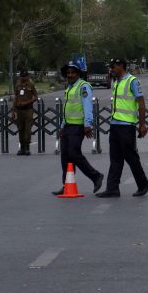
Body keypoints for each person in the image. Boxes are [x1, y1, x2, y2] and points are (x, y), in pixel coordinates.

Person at [96, 58, 148, 198]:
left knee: (131, 157)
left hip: (126, 126)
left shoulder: (132, 81)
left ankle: (143, 183)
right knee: (115, 159)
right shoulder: (116, 81)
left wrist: (142, 124)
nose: (111, 69)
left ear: (121, 66)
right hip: (115, 124)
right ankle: (112, 188)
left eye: (113, 66)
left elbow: (141, 103)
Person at [52, 61, 104, 196]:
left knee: (74, 153)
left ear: (78, 73)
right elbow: (67, 108)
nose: (70, 75)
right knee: (65, 156)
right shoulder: (69, 87)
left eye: (73, 72)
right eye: (68, 73)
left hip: (78, 126)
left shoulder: (83, 86)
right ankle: (67, 184)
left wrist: (87, 124)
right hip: (68, 126)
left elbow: (87, 107)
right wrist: (63, 125)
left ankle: (96, 176)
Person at [12, 70, 38, 156]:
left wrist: (27, 102)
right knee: (20, 129)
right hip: (19, 110)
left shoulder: (31, 85)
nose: (23, 78)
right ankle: (21, 148)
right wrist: (13, 110)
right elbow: (16, 97)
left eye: (25, 77)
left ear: (28, 77)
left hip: (28, 110)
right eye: (22, 77)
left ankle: (27, 148)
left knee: (27, 129)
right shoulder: (17, 85)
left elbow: (36, 97)